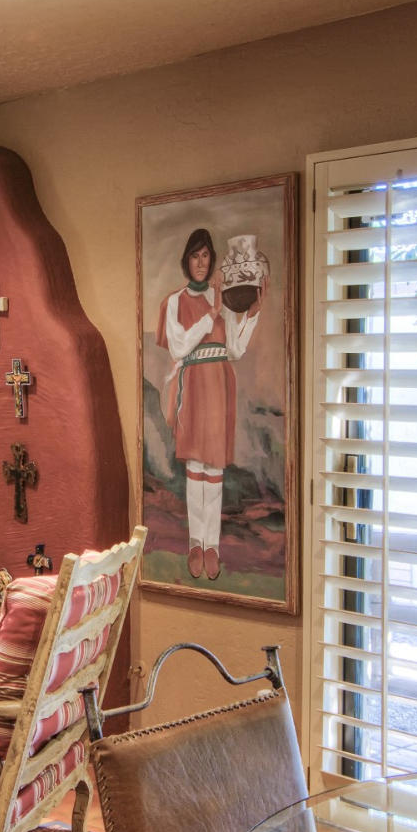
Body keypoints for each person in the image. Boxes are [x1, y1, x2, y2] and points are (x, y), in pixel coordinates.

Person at [156, 227, 261, 580]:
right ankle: (195, 544)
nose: (200, 263)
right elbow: (179, 347)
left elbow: (235, 349)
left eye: (205, 256)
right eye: (195, 256)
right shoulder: (175, 301)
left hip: (218, 384)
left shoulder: (224, 300)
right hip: (193, 384)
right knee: (195, 467)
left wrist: (251, 315)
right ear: (186, 261)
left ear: (212, 260)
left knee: (214, 469)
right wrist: (209, 314)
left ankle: (211, 545)